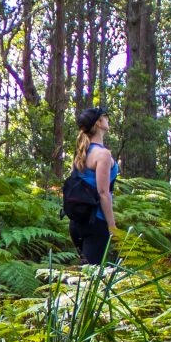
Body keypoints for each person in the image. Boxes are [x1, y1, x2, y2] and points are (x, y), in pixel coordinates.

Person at [63, 105, 119, 264]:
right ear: (99, 123)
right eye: (105, 116)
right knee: (90, 280)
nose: (107, 119)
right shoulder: (103, 154)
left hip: (76, 223)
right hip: (96, 223)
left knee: (85, 275)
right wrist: (112, 228)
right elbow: (103, 193)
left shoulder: (82, 152)